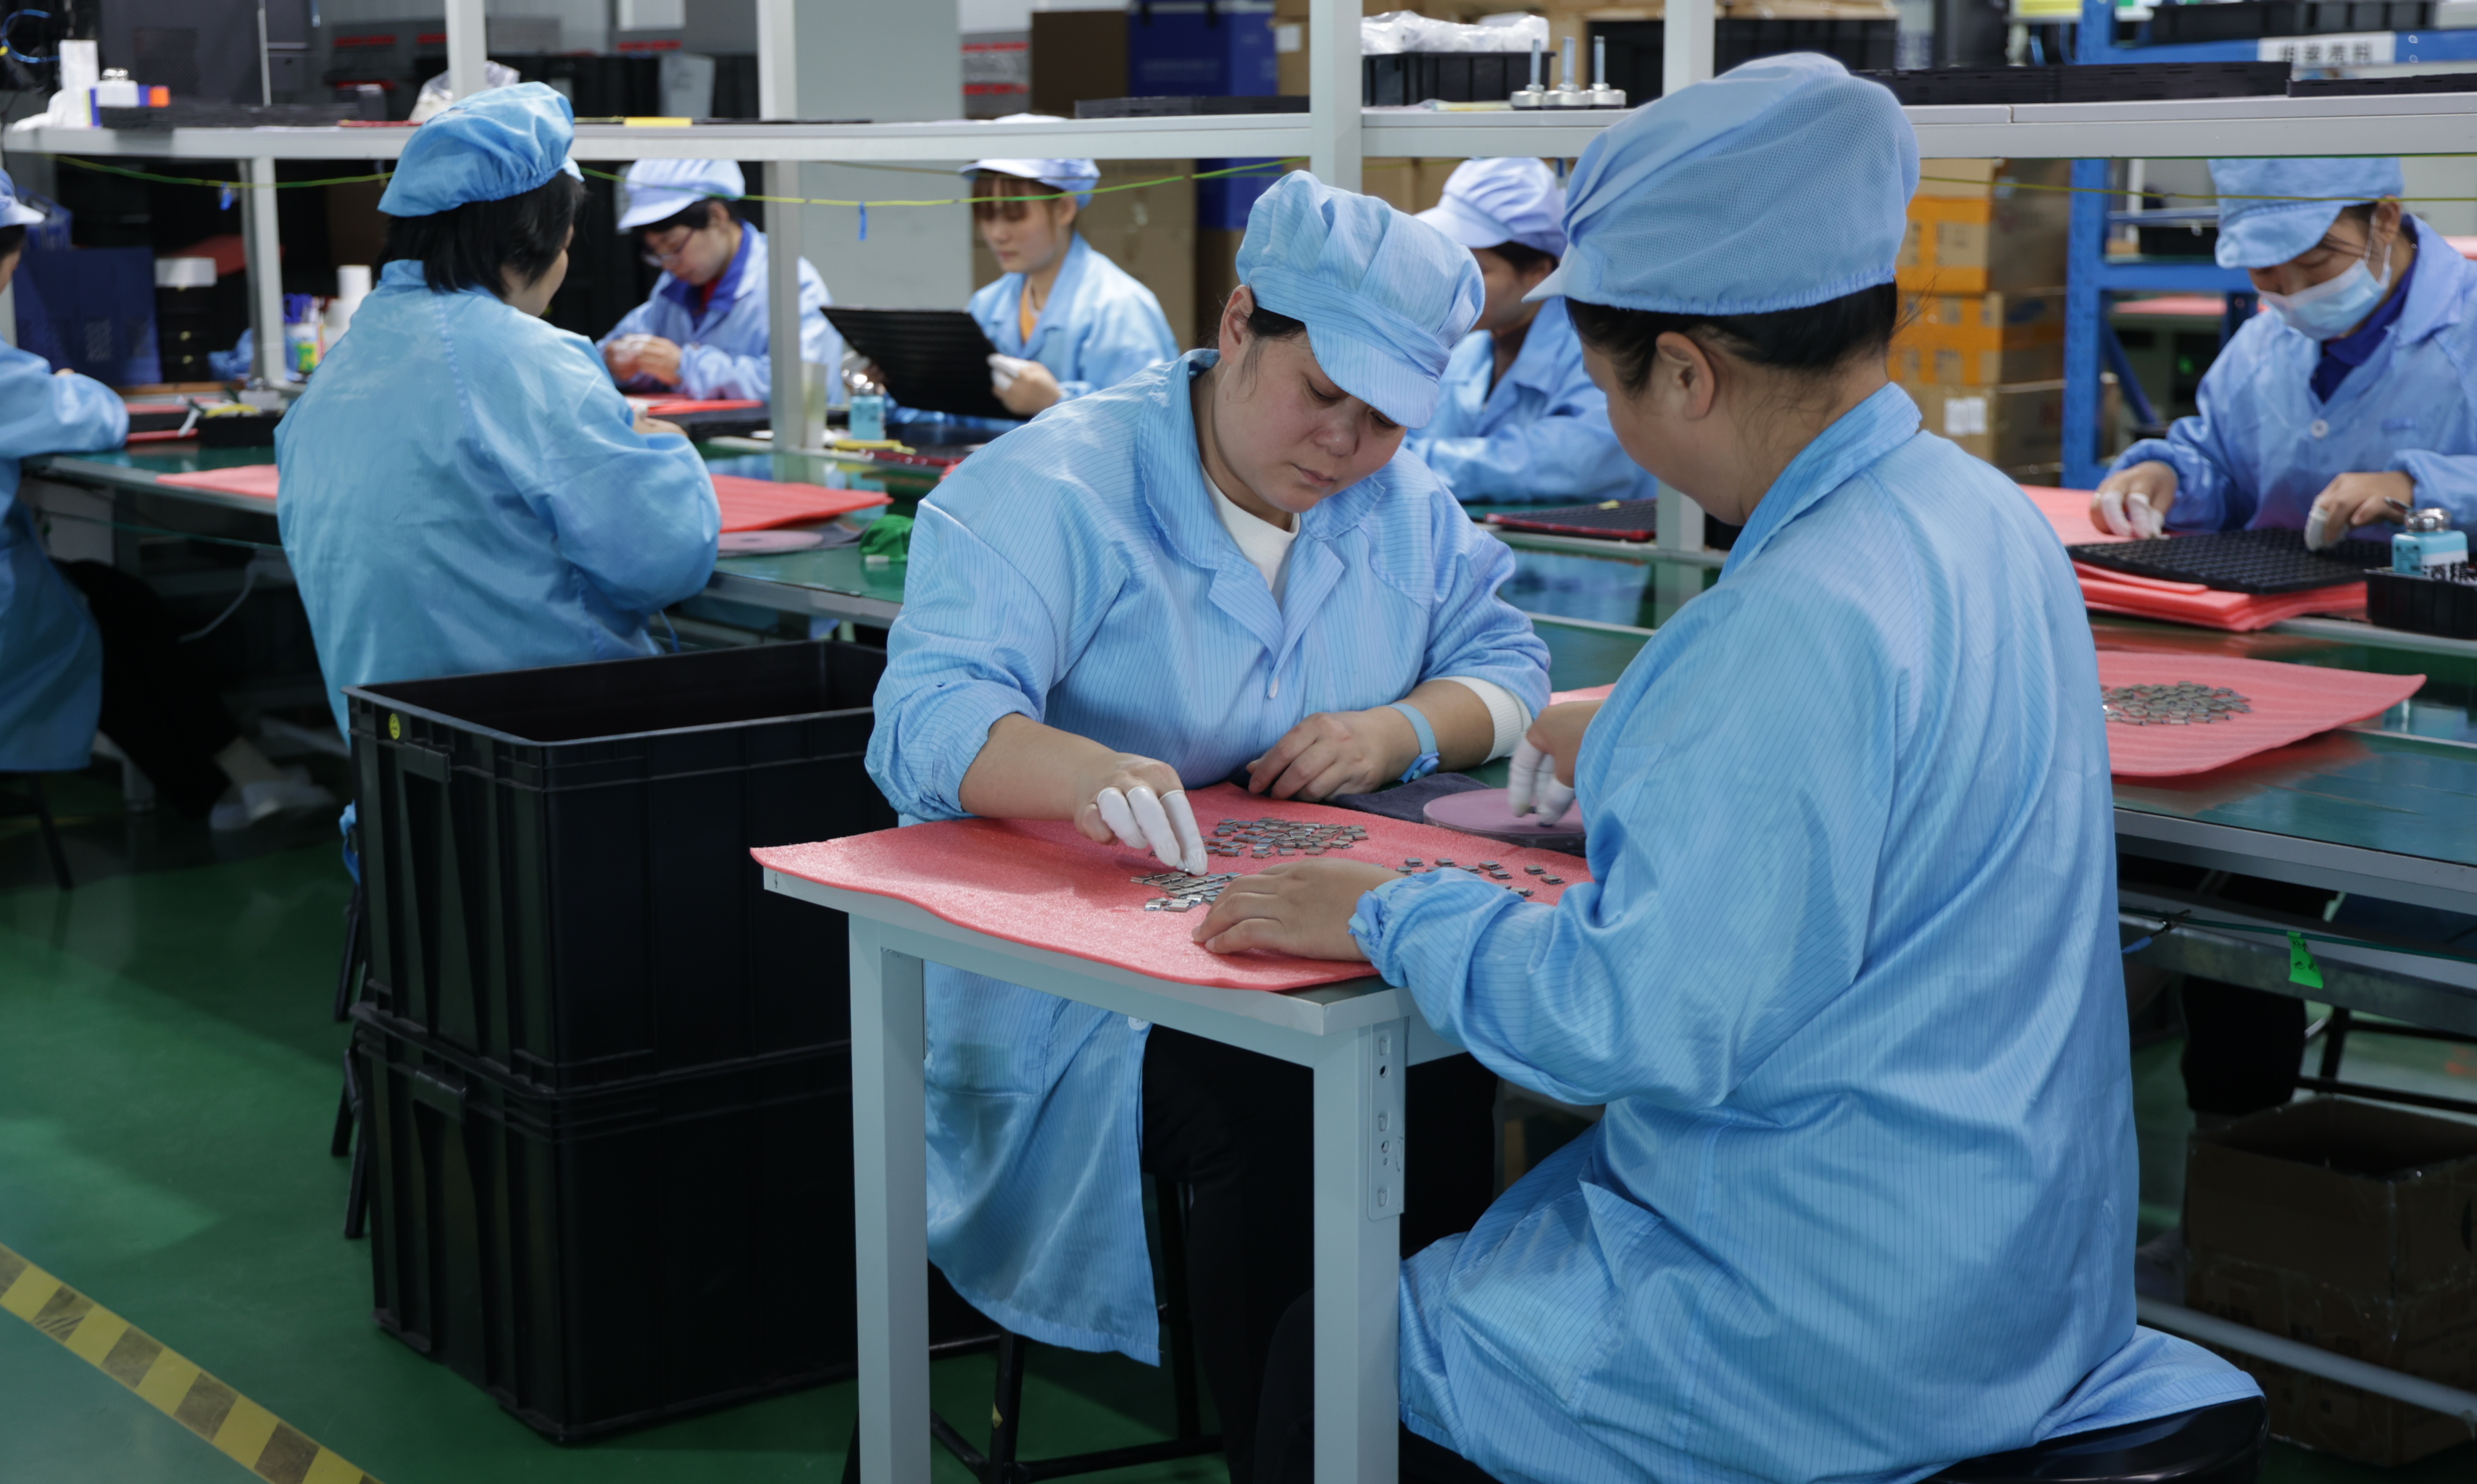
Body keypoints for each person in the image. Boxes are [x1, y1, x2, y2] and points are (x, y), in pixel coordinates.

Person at [1191, 57, 2259, 1484]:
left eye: (1609, 373)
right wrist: (1647, 730)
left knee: (1346, 1345)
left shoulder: (1780, 627)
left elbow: (1623, 1022)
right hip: (2020, 1277)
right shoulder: (1986, 517)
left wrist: (1386, 910)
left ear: (1687, 370)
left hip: (1822, 1337)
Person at [865, 171, 1550, 1482]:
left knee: (1449, 1067)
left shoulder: (1398, 507)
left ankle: (1407, 1440)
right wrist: (1079, 772)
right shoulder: (1049, 490)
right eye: (1321, 394)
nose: (1344, 445)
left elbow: (1507, 659)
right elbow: (924, 718)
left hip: (1318, 937)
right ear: (1239, 320)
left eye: (1386, 419)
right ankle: (1290, 1450)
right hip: (1072, 988)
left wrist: (1398, 729)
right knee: (1278, 1111)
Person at [0, 152, 322, 832]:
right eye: (10, 264)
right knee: (114, 617)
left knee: (110, 611)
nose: (6, 281)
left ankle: (229, 791)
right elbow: (95, 417)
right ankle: (233, 786)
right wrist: (66, 378)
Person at [277, 85, 722, 735]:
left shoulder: (339, 370)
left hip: (396, 786)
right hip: (553, 763)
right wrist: (666, 448)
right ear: (536, 238)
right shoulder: (527, 360)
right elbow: (666, 562)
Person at [2093, 156, 2474, 548]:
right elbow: (2225, 475)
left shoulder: (2467, 331)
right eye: (2263, 270)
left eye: (2315, 260)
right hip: (2276, 602)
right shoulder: (2258, 349)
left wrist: (2415, 489)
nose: (2292, 291)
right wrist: (2168, 478)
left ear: (2386, 220)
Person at [1404, 157, 1652, 505]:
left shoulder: (1594, 352)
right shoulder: (1465, 352)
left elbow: (1579, 462)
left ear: (1538, 271)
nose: (1448, 284)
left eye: (1475, 269)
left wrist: (1401, 460)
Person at [960, 132, 1180, 417]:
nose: (997, 234)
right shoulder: (987, 305)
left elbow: (1150, 421)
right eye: (987, 215)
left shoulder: (1120, 308)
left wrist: (1056, 403)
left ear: (1064, 209)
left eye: (1015, 215)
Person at [597, 157, 844, 404]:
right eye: (657, 253)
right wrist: (618, 363)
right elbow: (606, 352)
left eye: (673, 247)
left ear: (717, 217)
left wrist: (686, 368)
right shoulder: (673, 287)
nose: (668, 264)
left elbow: (804, 384)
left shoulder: (790, 283)